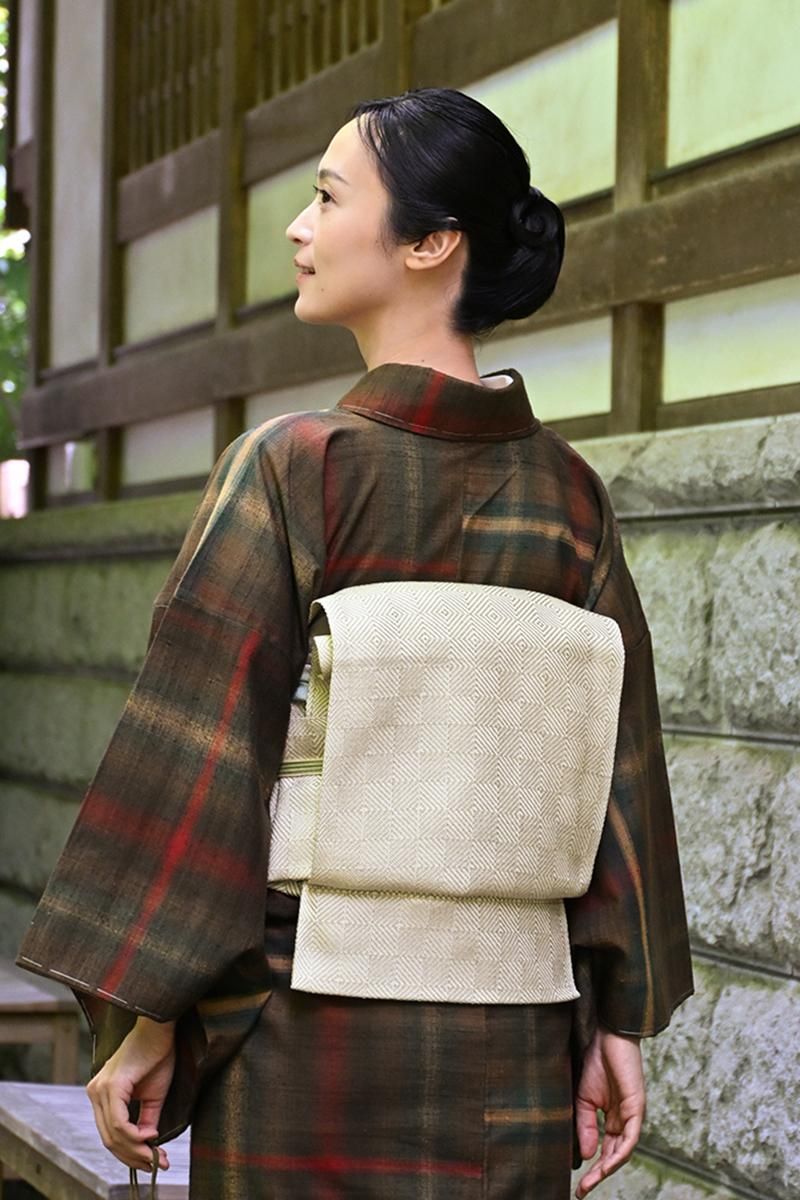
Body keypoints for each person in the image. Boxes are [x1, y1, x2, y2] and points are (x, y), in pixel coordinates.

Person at [17, 87, 693, 1199]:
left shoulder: (296, 468)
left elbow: (204, 753)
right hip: (514, 1043)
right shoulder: (571, 497)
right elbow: (619, 773)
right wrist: (617, 1017)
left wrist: (151, 1014)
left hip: (303, 1032)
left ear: (431, 243)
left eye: (329, 198)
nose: (299, 227)